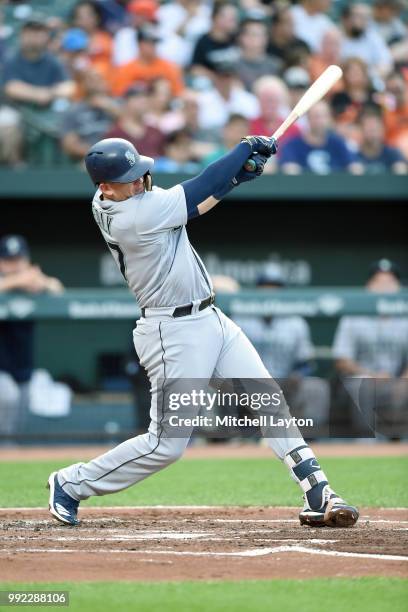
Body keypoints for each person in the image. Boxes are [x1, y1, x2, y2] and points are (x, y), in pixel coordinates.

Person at [46, 134, 358, 529]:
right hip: (172, 331)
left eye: (141, 172)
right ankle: (72, 483)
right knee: (166, 445)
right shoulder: (133, 217)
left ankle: (318, 491)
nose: (141, 180)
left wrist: (236, 178)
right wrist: (243, 151)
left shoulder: (124, 200)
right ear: (105, 188)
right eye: (131, 177)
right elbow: (199, 191)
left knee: (268, 398)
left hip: (210, 317)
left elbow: (201, 199)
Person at [234, 264, 330, 429]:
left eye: (275, 287)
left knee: (316, 387)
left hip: (285, 383)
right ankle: (223, 441)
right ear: (257, 290)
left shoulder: (296, 322)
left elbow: (305, 363)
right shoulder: (240, 317)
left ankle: (309, 438)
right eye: (265, 287)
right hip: (247, 383)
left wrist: (296, 375)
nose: (270, 292)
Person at [333, 259, 408, 436]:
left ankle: (401, 443)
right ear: (369, 286)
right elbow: (341, 360)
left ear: (399, 287)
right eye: (379, 282)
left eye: (390, 282)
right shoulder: (353, 315)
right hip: (360, 381)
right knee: (364, 384)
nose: (385, 287)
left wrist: (404, 380)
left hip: (395, 381)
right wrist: (372, 375)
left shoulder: (405, 318)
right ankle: (367, 441)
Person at [0, 236, 65, 438]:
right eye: (8, 261)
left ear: (27, 260)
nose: (14, 265)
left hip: (22, 365)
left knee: (20, 411)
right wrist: (17, 280)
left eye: (18, 260)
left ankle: (10, 453)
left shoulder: (34, 285)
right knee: (7, 395)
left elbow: (58, 289)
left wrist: (42, 281)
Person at [2, 18, 74, 107]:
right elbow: (11, 88)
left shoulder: (52, 60)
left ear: (46, 36)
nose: (34, 36)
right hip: (17, 107)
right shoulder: (11, 58)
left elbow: (69, 87)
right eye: (30, 32)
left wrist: (50, 93)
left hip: (46, 109)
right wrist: (38, 94)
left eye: (39, 32)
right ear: (22, 34)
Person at [279, 100, 359, 174]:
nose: (321, 121)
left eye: (324, 116)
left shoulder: (337, 143)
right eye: (317, 116)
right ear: (308, 118)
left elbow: (354, 167)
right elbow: (289, 169)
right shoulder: (293, 145)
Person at [61, 68, 119, 160]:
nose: (95, 84)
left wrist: (110, 108)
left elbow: (133, 130)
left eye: (98, 79)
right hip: (90, 159)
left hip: (119, 156)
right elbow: (68, 145)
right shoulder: (74, 111)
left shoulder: (116, 106)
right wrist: (97, 153)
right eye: (90, 80)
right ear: (83, 84)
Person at [112, 25, 184, 97]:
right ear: (140, 44)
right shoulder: (127, 68)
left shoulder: (167, 66)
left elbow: (178, 92)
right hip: (136, 105)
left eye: (154, 43)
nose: (153, 47)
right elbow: (118, 94)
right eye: (149, 43)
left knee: (162, 86)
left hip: (162, 106)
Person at [105, 83, 165, 158]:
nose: (143, 101)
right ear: (126, 102)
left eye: (146, 97)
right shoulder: (114, 134)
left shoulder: (156, 133)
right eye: (137, 98)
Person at [340, 3, 392, 77]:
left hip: (368, 82)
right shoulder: (336, 37)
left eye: (366, 18)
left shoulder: (373, 38)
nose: (363, 21)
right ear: (346, 18)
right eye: (358, 16)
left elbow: (385, 64)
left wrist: (366, 77)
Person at [190, 2, 239, 75]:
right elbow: (195, 68)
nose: (231, 21)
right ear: (215, 17)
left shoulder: (237, 39)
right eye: (228, 17)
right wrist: (214, 78)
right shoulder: (203, 41)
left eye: (233, 18)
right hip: (209, 82)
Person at [356, 106, 407, 174]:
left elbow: (401, 170)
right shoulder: (355, 154)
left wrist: (399, 168)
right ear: (361, 131)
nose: (372, 133)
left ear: (382, 130)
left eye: (375, 129)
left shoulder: (392, 153)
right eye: (369, 129)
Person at [236, 18, 280, 91]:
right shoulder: (232, 65)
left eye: (258, 35)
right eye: (251, 34)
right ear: (242, 37)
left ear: (266, 39)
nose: (253, 39)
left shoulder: (275, 65)